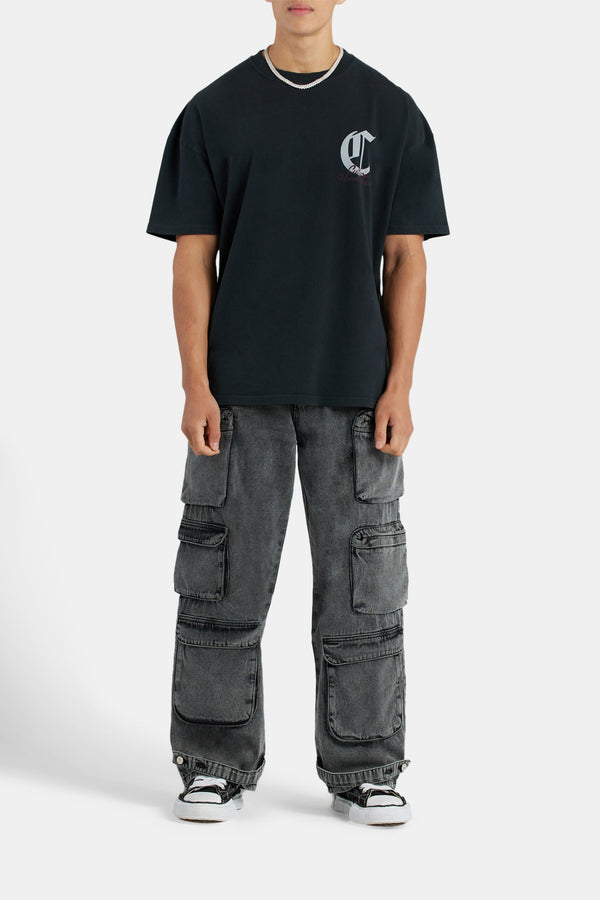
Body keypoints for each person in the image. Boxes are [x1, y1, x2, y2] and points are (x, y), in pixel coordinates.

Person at [146, 0, 449, 826]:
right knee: (223, 586)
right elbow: (192, 261)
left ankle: (367, 767)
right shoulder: (214, 112)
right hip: (238, 399)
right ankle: (214, 761)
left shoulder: (391, 113)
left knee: (363, 594)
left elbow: (407, 260)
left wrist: (401, 385)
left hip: (357, 399)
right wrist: (195, 384)